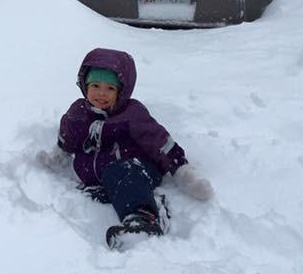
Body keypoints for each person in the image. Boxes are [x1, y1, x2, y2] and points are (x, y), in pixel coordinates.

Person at [58, 47, 213, 249]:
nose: (101, 94)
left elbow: (159, 140)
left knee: (122, 173)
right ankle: (144, 201)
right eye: (95, 85)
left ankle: (142, 220)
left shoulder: (132, 114)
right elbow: (68, 137)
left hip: (137, 168)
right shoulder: (79, 112)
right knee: (111, 178)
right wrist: (58, 154)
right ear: (85, 85)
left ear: (121, 92)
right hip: (102, 177)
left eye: (110, 88)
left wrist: (183, 171)